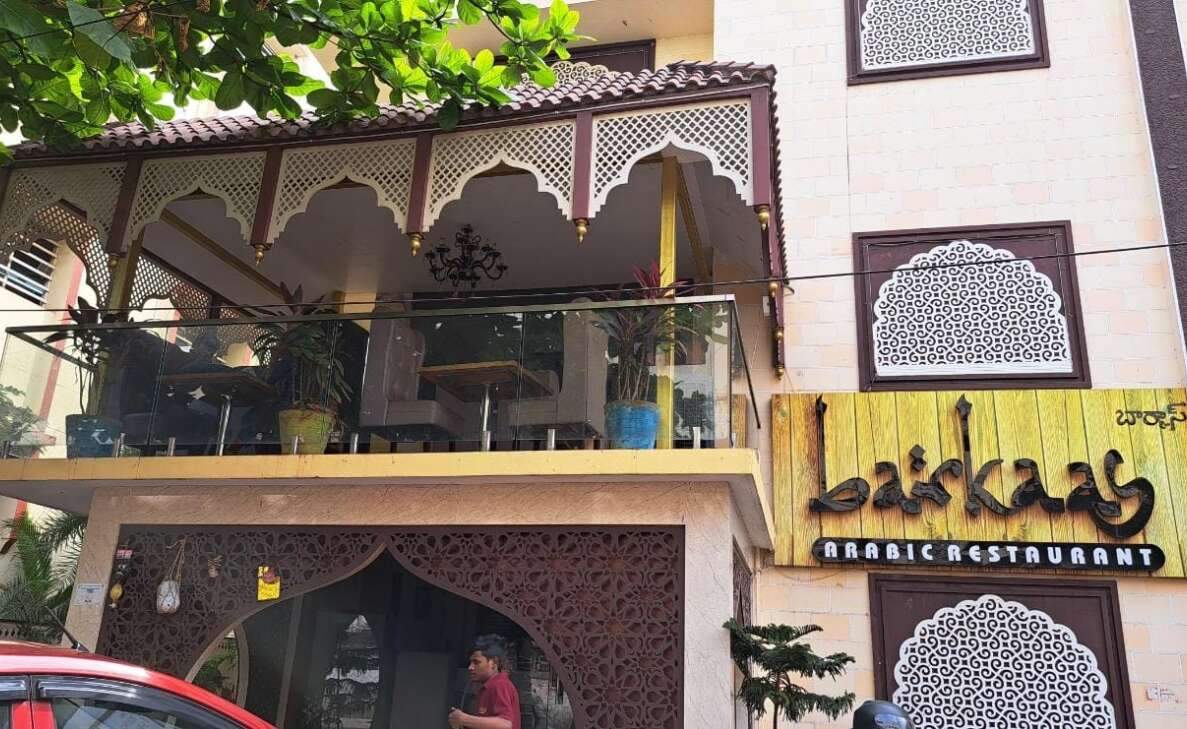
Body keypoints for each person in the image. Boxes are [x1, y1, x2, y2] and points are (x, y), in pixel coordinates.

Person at [448, 634, 521, 729]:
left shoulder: (500, 684)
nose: (470, 667)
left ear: (494, 662)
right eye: (470, 662)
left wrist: (464, 719)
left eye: (476, 662)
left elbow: (505, 725)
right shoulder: (487, 687)